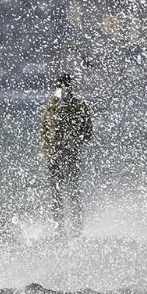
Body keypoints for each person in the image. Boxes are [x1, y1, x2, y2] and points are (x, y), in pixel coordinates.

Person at [40, 73, 93, 236]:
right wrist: (45, 152)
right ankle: (60, 227)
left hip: (70, 155)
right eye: (60, 86)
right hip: (54, 156)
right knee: (57, 194)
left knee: (71, 192)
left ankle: (75, 228)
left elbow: (88, 132)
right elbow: (44, 132)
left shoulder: (78, 106)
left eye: (64, 86)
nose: (62, 89)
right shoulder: (51, 106)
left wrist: (75, 140)